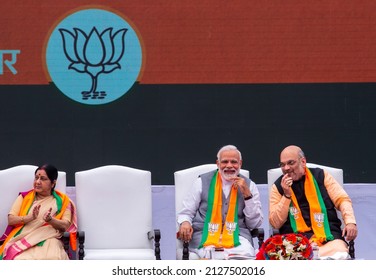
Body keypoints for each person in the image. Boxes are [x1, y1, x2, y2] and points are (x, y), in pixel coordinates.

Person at [269, 145, 358, 259]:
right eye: (283, 164)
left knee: (340, 252)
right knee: (290, 255)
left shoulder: (321, 176)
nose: (286, 168)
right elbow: (275, 223)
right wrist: (286, 195)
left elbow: (342, 199)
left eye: (291, 163)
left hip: (328, 238)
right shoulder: (278, 187)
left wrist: (350, 221)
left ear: (303, 161)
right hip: (295, 243)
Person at [177, 145, 263, 259]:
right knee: (216, 256)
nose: (229, 166)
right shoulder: (201, 182)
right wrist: (185, 223)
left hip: (237, 236)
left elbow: (254, 224)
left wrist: (247, 195)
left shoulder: (249, 185)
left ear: (240, 164)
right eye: (225, 162)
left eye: (234, 162)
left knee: (243, 257)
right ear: (218, 163)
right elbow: (186, 212)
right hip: (206, 234)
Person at [0, 164, 77, 260]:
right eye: (36, 178)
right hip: (24, 238)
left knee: (53, 257)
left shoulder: (63, 201)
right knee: (19, 259)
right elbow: (11, 220)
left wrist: (50, 220)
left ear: (53, 183)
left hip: (50, 239)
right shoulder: (24, 197)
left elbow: (65, 225)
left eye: (43, 179)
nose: (37, 182)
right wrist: (30, 217)